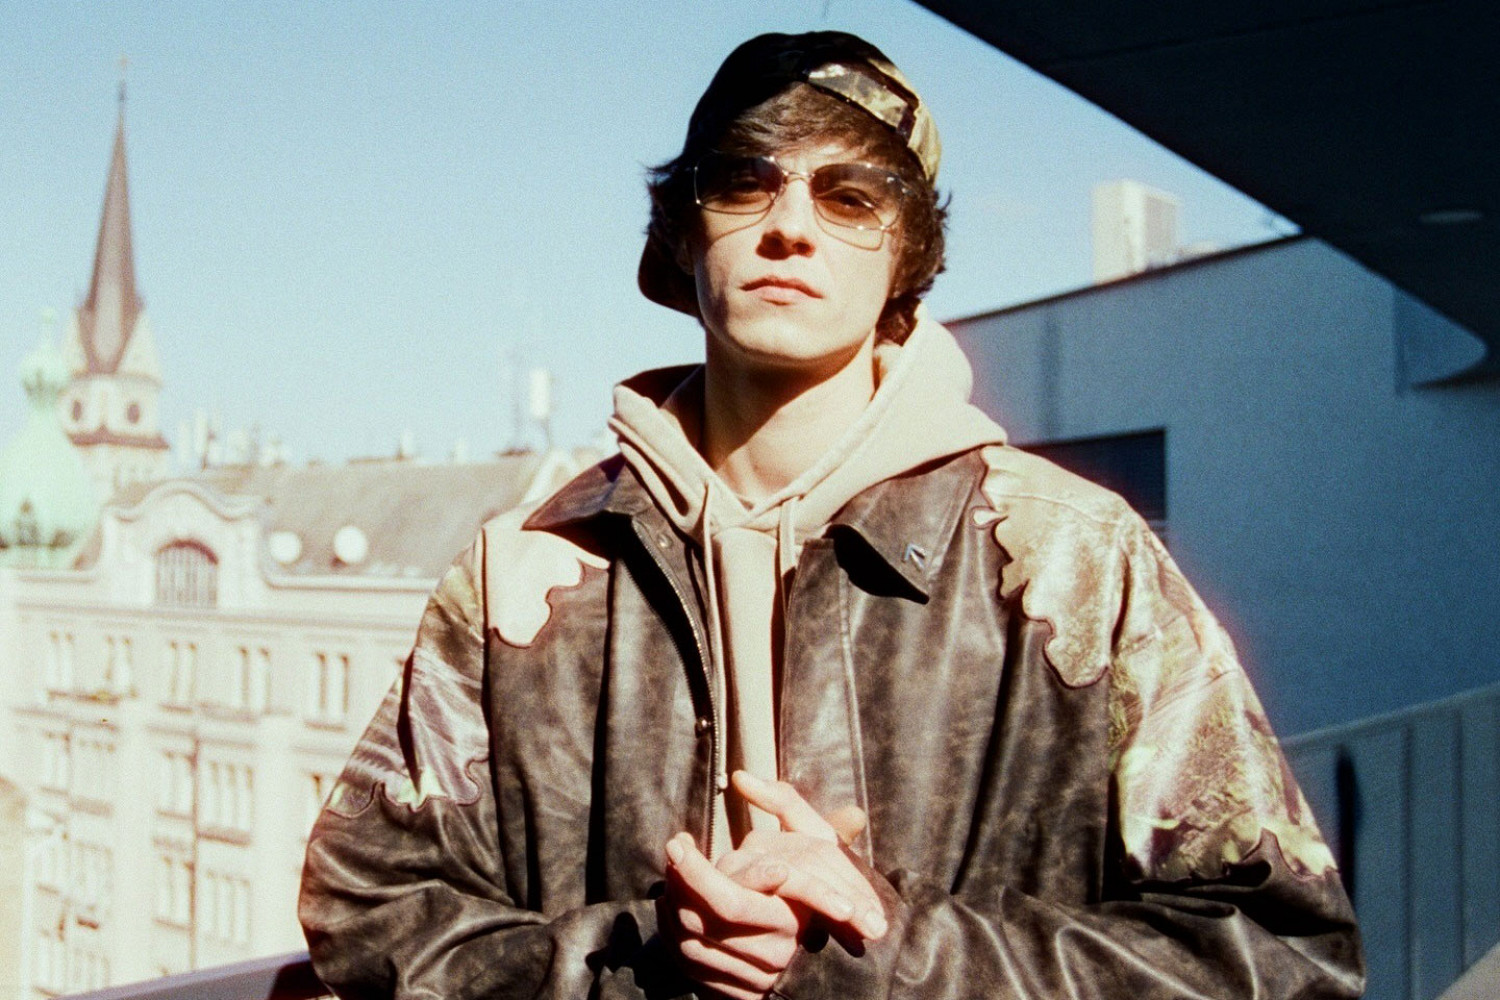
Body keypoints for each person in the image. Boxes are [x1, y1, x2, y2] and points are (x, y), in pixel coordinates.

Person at [299, 31, 1364, 1000]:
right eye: (742, 182)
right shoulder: (531, 574)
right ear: (683, 230)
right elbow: (370, 904)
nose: (790, 228)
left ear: (908, 256)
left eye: (852, 197)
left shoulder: (1069, 561)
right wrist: (644, 959)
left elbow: (1275, 956)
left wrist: (887, 956)